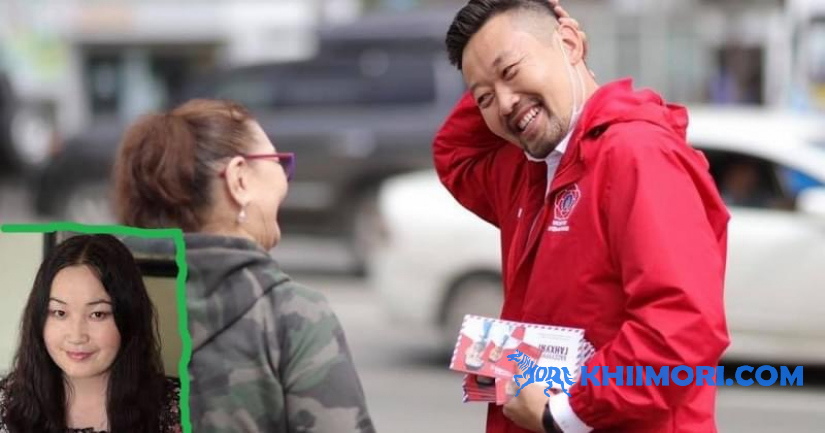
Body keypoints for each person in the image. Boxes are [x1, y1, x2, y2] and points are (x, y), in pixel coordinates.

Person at [437, 0, 730, 432]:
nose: (504, 103)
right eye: (484, 98)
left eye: (511, 70)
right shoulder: (529, 169)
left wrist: (565, 413)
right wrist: (490, 67)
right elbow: (454, 154)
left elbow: (680, 325)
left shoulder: (637, 154)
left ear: (571, 43)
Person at [112, 98, 375, 433]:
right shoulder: (290, 317)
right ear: (238, 180)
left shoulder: (87, 301)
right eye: (279, 162)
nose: (285, 180)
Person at [0, 234, 180, 432]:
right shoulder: (6, 403)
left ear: (129, 316)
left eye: (97, 314)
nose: (76, 336)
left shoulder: (180, 409)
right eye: (60, 313)